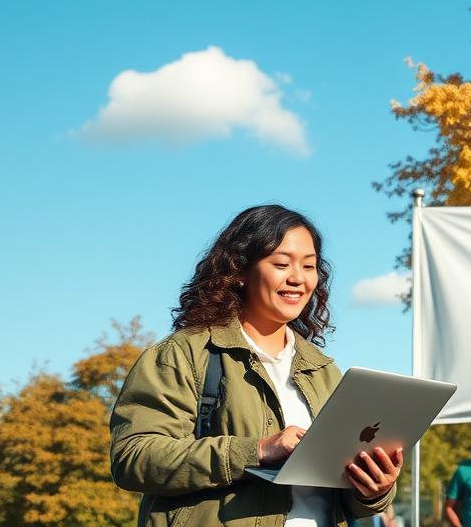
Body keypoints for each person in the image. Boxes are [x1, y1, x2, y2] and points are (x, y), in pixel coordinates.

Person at [110, 205, 400, 527]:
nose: (297, 278)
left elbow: (341, 498)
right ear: (239, 271)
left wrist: (373, 490)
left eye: (309, 266)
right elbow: (134, 457)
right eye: (281, 264)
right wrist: (258, 451)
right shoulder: (183, 354)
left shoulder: (323, 371)